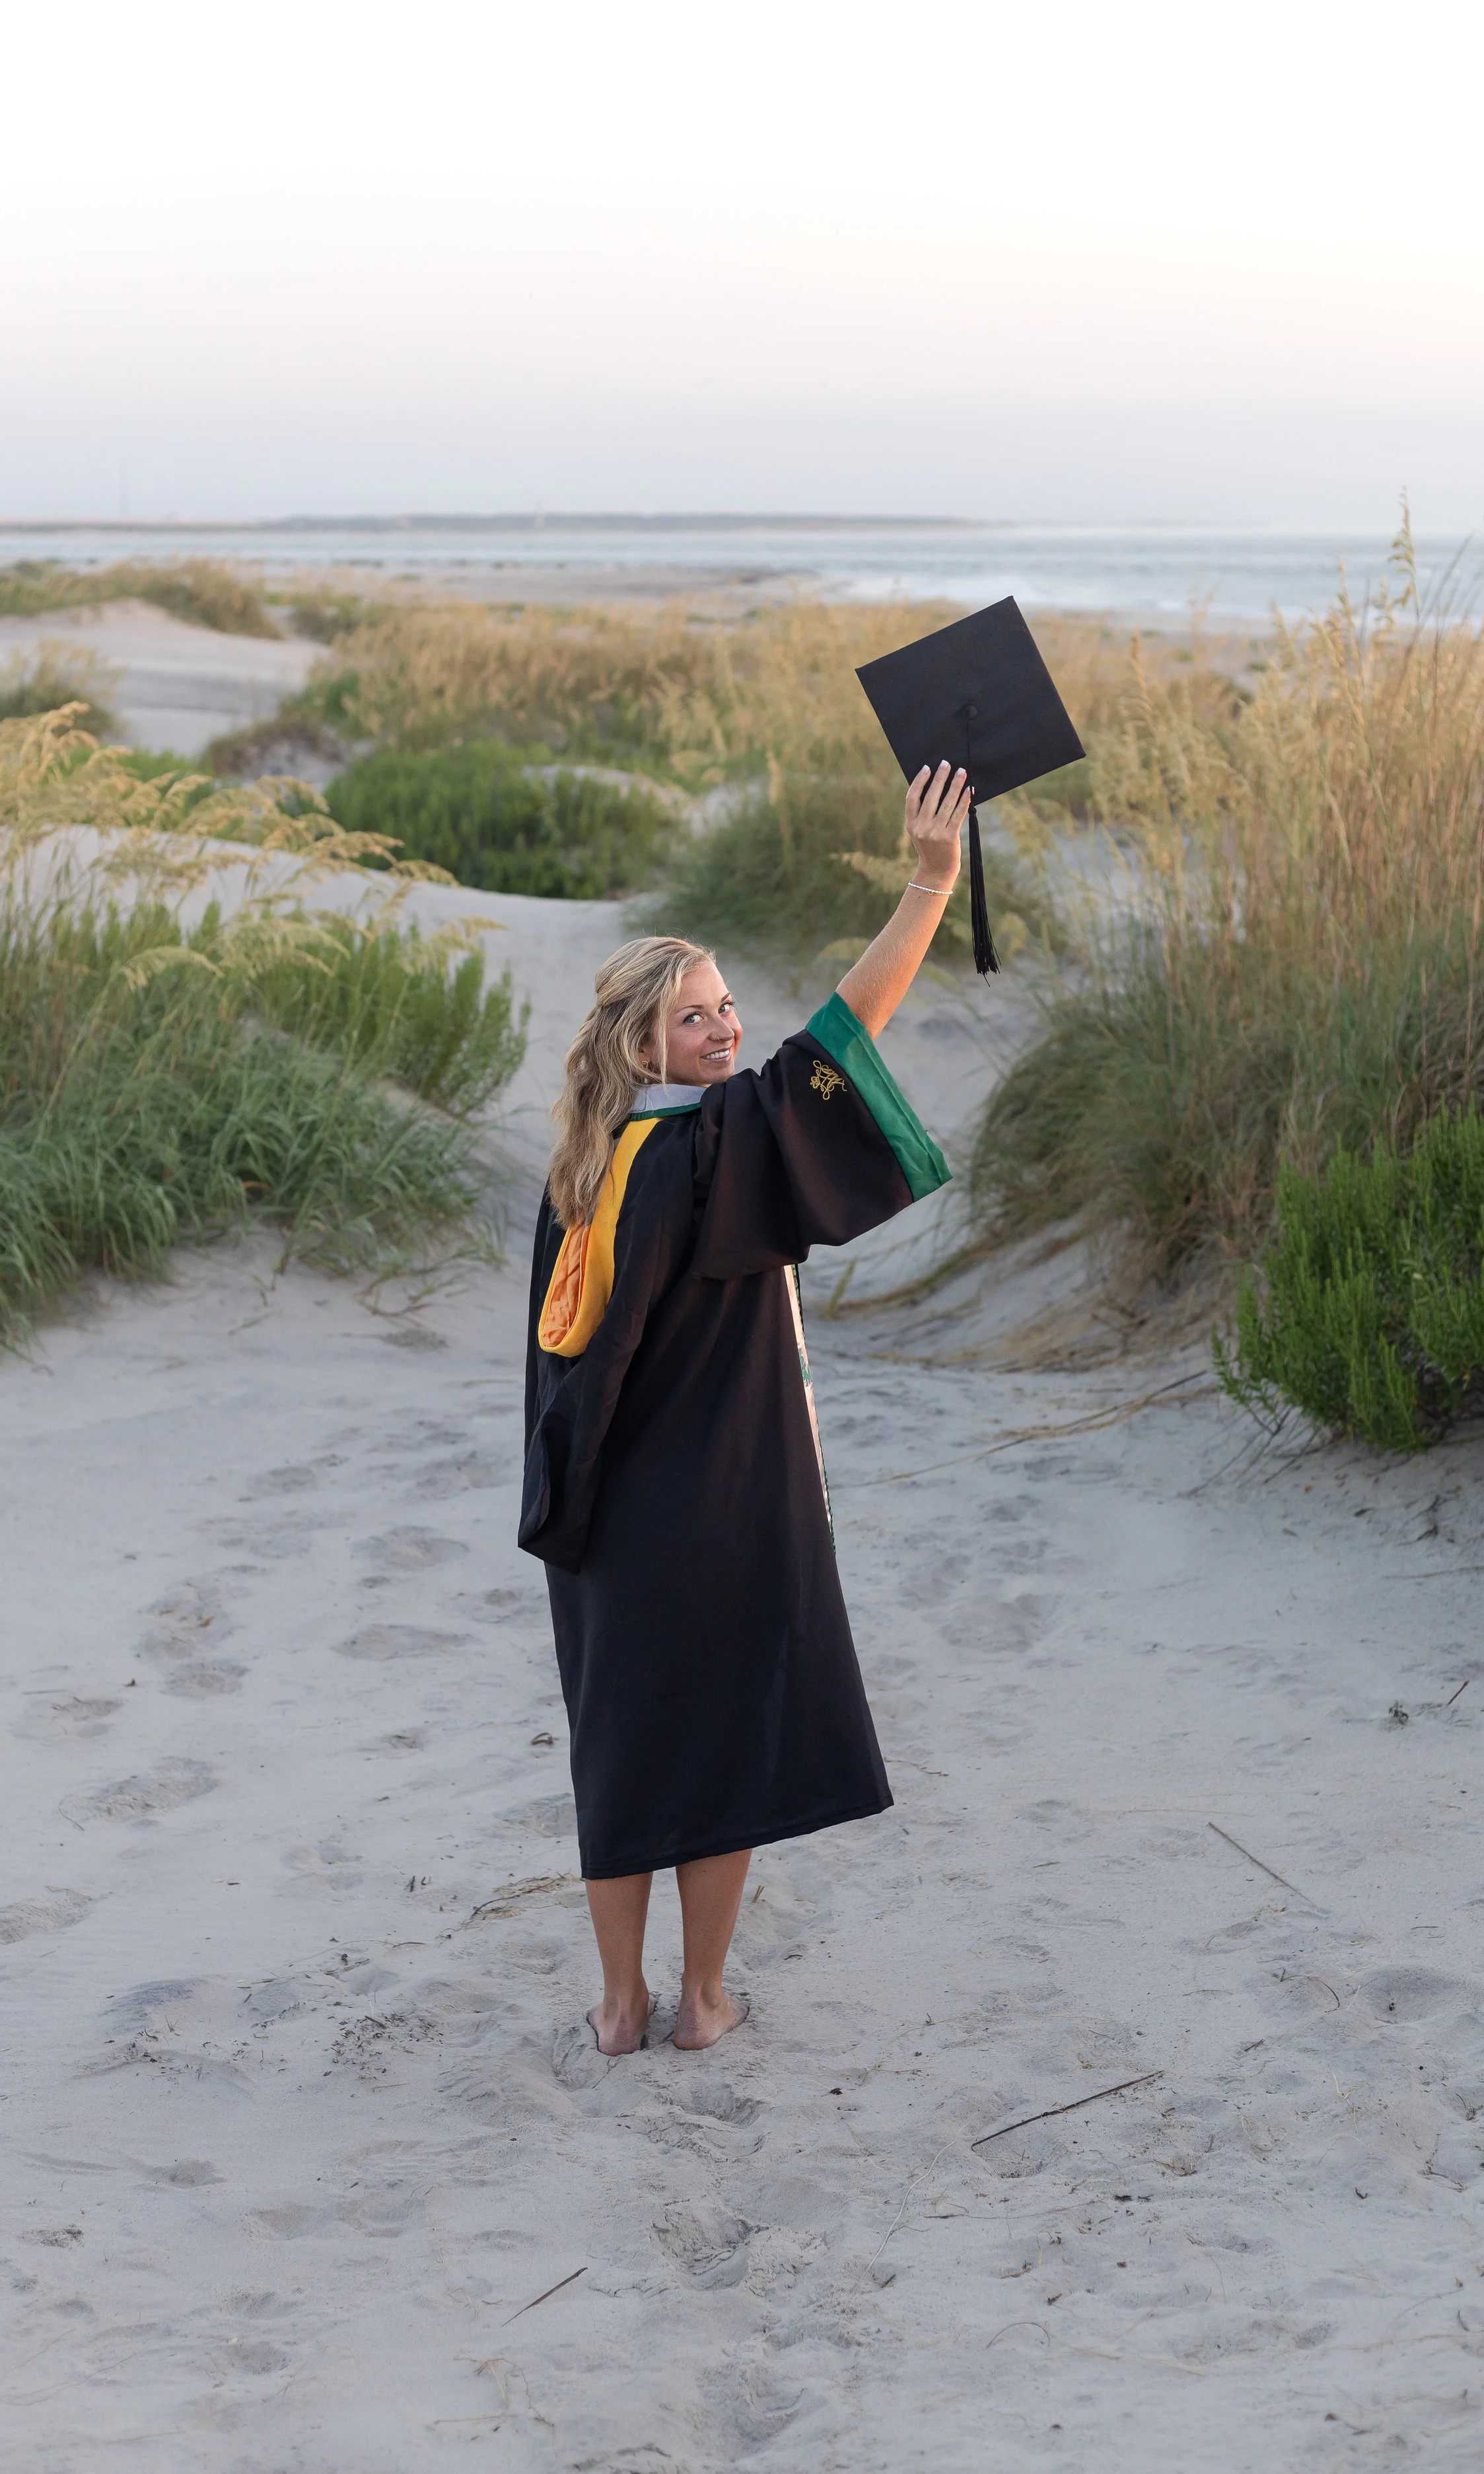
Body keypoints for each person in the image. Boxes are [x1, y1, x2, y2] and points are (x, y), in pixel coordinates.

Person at [520, 760, 974, 2054]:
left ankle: (619, 2007)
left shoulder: (583, 1173)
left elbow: (556, 1375)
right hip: (715, 1512)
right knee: (714, 1763)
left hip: (602, 1521)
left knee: (619, 1759)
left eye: (724, 1009)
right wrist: (928, 886)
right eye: (694, 1021)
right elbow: (840, 1041)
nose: (723, 1033)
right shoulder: (701, 1154)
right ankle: (704, 2001)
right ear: (641, 1046)